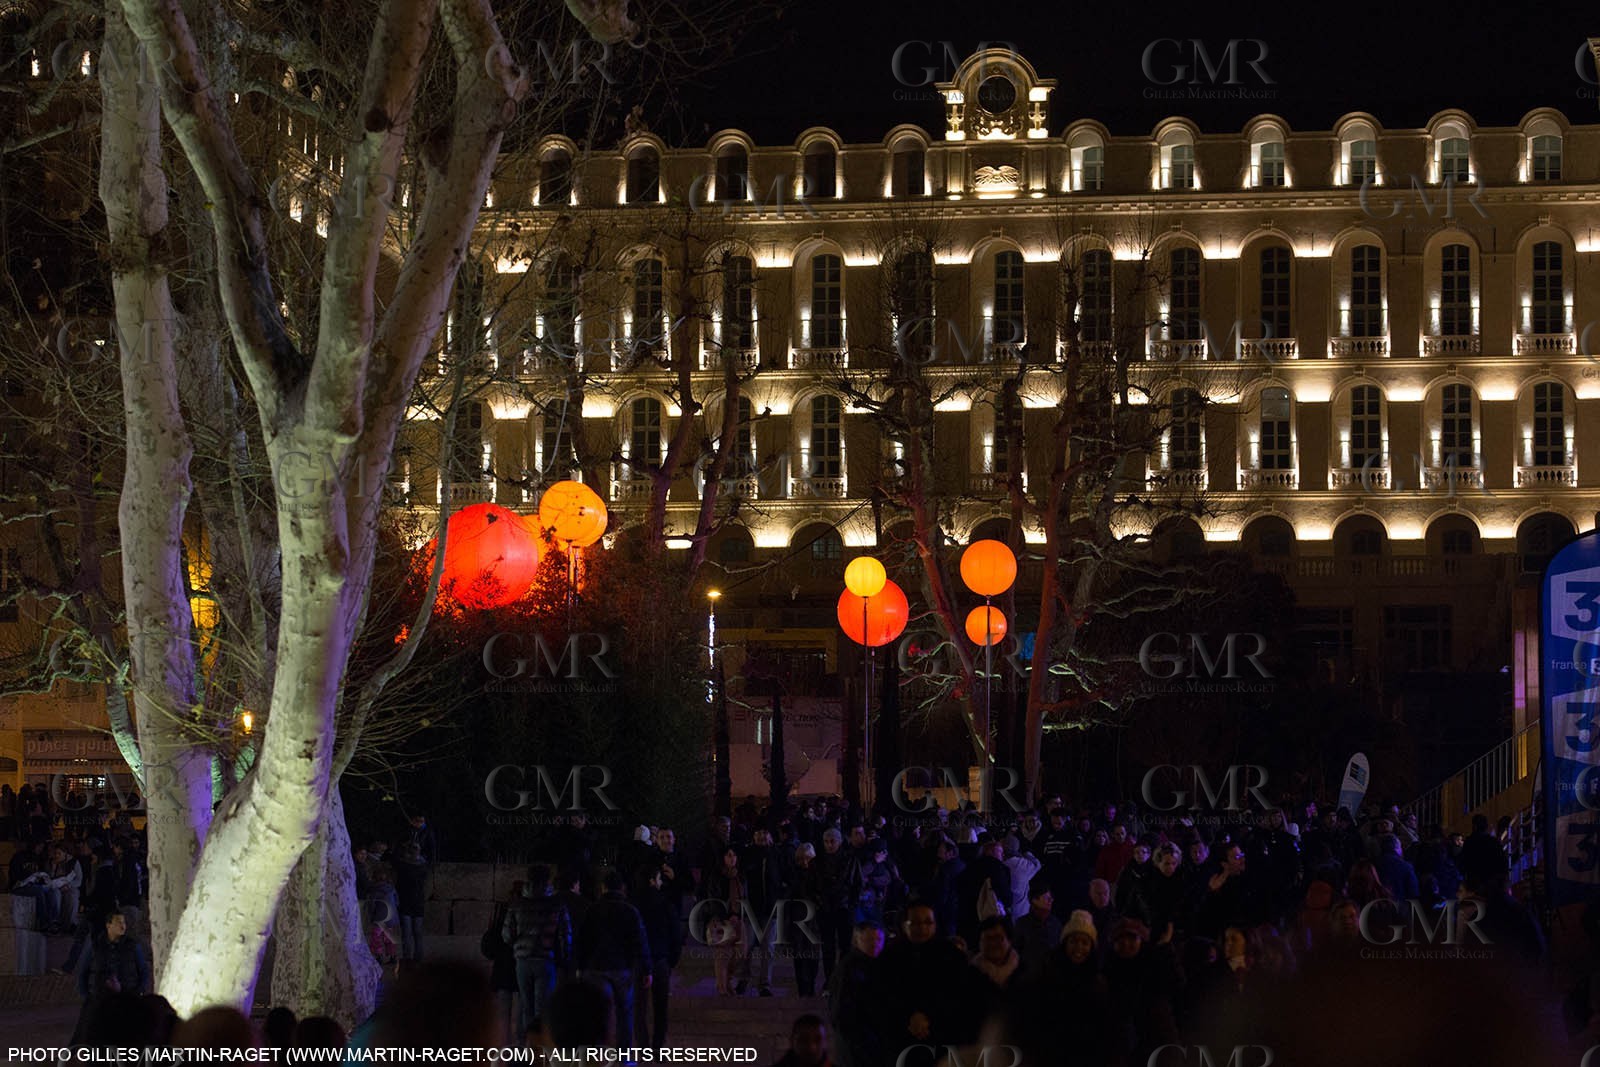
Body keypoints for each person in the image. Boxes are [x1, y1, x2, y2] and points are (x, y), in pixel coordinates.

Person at [576, 869, 651, 1048]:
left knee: (595, 1012)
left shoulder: (592, 909)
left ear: (603, 888)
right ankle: (623, 1055)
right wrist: (647, 969)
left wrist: (580, 966)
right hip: (622, 968)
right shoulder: (630, 911)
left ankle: (593, 1054)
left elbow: (582, 940)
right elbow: (640, 941)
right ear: (622, 888)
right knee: (624, 1012)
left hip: (595, 967)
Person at [504, 864, 574, 1037]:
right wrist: (564, 958)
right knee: (542, 1009)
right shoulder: (557, 905)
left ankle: (527, 1049)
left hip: (523, 960)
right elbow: (566, 936)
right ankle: (540, 1050)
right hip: (546, 960)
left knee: (526, 1007)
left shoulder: (517, 904)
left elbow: (507, 935)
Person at [72, 908, 150, 1046]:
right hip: (99, 999)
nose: (123, 925)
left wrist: (139, 991)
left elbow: (143, 970)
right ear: (108, 925)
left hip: (127, 998)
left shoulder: (132, 946)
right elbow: (83, 971)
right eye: (118, 922)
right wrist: (86, 995)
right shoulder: (95, 945)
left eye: (124, 922)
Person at [633, 865, 680, 1047]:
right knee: (661, 1008)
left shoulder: (634, 904)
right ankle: (658, 1047)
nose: (661, 882)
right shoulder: (665, 903)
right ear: (652, 880)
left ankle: (643, 1047)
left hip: (639, 960)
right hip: (661, 959)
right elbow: (675, 933)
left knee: (640, 1008)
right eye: (659, 878)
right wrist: (672, 959)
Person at [825, 921, 883, 1067]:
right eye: (869, 940)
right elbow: (840, 1011)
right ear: (857, 941)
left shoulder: (877, 965)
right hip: (855, 1045)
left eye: (879, 940)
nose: (875, 944)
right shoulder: (849, 969)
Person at [702, 846, 748, 996]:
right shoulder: (716, 876)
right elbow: (713, 899)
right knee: (723, 954)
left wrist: (738, 914)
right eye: (728, 855)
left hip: (738, 918)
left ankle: (727, 980)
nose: (732, 858)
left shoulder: (739, 876)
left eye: (734, 855)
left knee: (741, 952)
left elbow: (743, 898)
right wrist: (726, 916)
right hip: (721, 919)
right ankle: (722, 987)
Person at [1011, 881, 1061, 977]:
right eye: (1046, 898)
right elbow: (1016, 951)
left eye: (1050, 898)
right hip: (1029, 978)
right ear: (1035, 900)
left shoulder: (1055, 923)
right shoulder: (1023, 924)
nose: (1051, 900)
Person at [393, 841, 428, 963]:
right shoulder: (423, 866)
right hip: (418, 901)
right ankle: (418, 956)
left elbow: (395, 860)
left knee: (407, 932)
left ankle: (408, 956)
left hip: (406, 901)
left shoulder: (403, 866)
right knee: (417, 932)